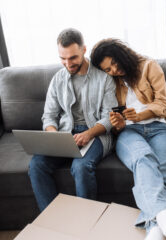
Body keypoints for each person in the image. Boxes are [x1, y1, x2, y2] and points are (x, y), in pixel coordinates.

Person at [91, 38, 166, 240]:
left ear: (122, 53)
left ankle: (155, 232)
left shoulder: (149, 66)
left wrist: (140, 114)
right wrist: (118, 122)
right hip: (128, 132)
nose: (114, 70)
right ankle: (162, 218)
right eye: (108, 69)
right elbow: (114, 121)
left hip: (159, 128)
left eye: (115, 63)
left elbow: (165, 103)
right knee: (143, 158)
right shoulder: (110, 81)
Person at [28, 29, 117, 212]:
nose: (67, 63)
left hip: (96, 133)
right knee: (37, 165)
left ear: (84, 49)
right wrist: (53, 136)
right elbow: (49, 116)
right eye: (63, 58)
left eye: (73, 58)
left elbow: (109, 117)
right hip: (65, 133)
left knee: (82, 166)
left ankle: (87, 223)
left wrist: (88, 134)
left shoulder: (104, 79)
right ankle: (53, 220)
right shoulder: (57, 79)